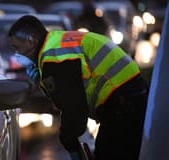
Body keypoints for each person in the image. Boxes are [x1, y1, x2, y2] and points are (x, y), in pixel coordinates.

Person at [8, 15, 148, 160]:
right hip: (131, 96)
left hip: (122, 104)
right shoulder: (56, 42)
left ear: (31, 40)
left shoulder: (53, 58)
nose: (17, 54)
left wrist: (67, 137)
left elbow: (73, 106)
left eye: (17, 47)